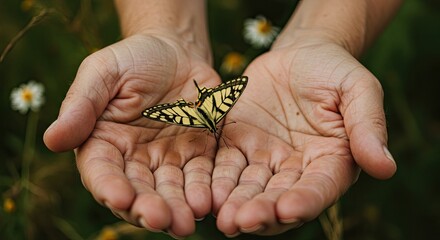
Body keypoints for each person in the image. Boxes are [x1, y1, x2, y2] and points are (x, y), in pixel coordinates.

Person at [43, 0, 401, 238]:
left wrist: (323, 36)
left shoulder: (200, 117)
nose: (216, 132)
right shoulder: (203, 116)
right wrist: (162, 31)